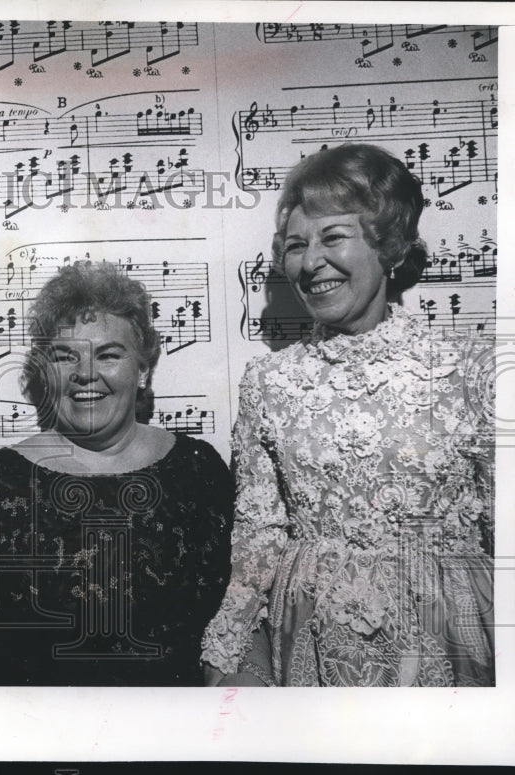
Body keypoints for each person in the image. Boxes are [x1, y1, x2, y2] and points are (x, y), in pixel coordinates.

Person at [201, 143, 495, 687]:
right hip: (313, 635)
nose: (311, 262)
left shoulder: (470, 372)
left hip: (448, 635)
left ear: (389, 247)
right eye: (295, 246)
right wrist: (230, 651)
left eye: (333, 237)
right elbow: (259, 540)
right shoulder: (269, 382)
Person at [0, 261, 235, 685]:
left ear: (142, 369)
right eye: (65, 356)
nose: (85, 373)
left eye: (108, 354)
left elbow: (237, 611)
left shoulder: (199, 471)